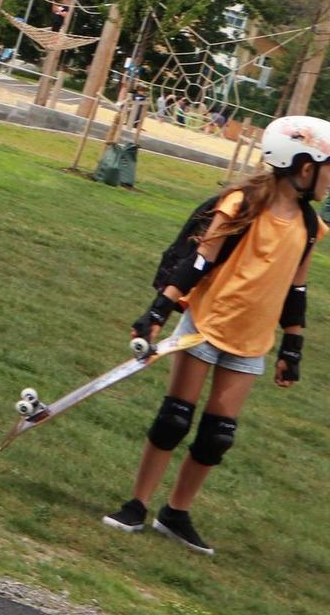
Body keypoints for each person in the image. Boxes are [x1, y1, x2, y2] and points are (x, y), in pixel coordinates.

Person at [102, 114, 327, 553]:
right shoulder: (241, 204)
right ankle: (137, 504)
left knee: (217, 434)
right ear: (305, 167)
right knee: (174, 420)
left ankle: (176, 513)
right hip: (204, 328)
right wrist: (158, 310)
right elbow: (198, 262)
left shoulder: (310, 228)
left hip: (251, 343)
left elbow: (297, 288)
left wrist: (293, 347)